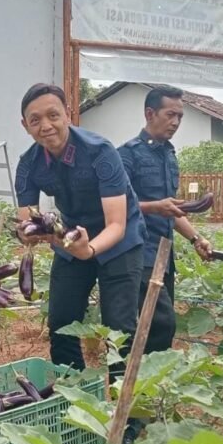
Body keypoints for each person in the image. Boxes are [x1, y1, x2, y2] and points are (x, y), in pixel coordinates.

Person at [14, 83, 147, 384]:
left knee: (119, 330)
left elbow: (117, 223)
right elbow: (27, 221)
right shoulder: (28, 164)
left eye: (53, 115)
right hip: (72, 239)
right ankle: (74, 397)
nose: (46, 126)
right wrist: (29, 234)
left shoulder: (100, 152)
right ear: (25, 126)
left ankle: (126, 416)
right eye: (35, 120)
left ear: (68, 112)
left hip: (120, 243)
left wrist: (89, 250)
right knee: (61, 322)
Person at [117, 85, 212, 444]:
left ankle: (144, 402)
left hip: (164, 254)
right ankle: (131, 412)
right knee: (158, 325)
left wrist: (195, 238)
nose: (176, 122)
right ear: (149, 114)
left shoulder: (170, 156)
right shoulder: (126, 155)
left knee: (158, 331)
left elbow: (174, 211)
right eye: (170, 114)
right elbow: (117, 206)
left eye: (180, 117)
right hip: (136, 254)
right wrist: (155, 206)